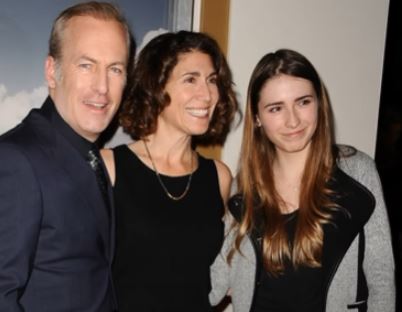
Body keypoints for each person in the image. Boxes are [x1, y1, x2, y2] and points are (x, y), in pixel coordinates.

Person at [210, 49, 395, 311]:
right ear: (257, 118)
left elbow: (381, 276)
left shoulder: (358, 172)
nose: (293, 120)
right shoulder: (244, 187)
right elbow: (216, 278)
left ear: (320, 102)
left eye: (303, 102)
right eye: (276, 108)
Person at [0, 2, 132, 311]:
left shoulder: (89, 155)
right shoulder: (16, 160)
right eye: (86, 65)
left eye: (115, 69)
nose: (102, 87)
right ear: (51, 71)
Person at [101, 30, 238, 311]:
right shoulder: (110, 167)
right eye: (191, 79)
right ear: (156, 86)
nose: (208, 94)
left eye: (212, 81)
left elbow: (224, 277)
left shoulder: (219, 177)